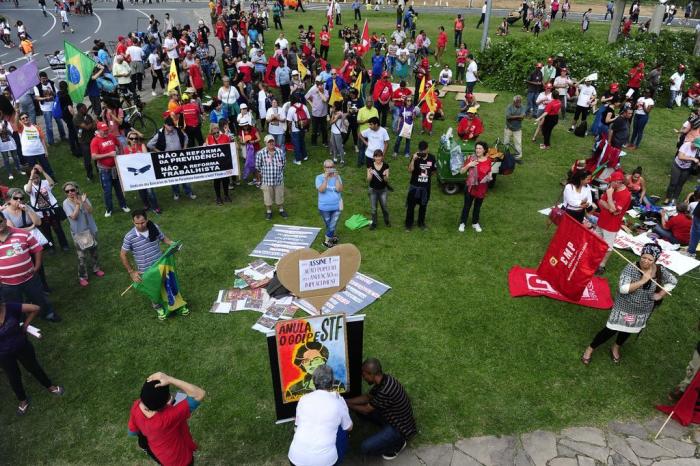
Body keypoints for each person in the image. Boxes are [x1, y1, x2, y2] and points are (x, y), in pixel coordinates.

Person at [581, 243, 677, 365]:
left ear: (655, 260)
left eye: (650, 259)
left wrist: (660, 294)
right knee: (611, 329)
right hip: (624, 306)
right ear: (641, 255)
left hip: (642, 310)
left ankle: (616, 347)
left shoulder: (659, 269)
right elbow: (623, 289)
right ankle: (590, 348)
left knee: (628, 330)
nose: (645, 261)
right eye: (643, 257)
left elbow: (673, 281)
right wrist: (643, 281)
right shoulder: (631, 268)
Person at [0, 300, 64, 416]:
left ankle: (50, 386)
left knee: (34, 367)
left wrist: (25, 325)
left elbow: (35, 308)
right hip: (3, 354)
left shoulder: (10, 307)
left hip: (22, 346)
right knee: (13, 377)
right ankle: (23, 400)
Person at [120, 210, 186, 320]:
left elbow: (163, 238)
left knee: (168, 284)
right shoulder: (129, 237)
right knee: (154, 290)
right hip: (146, 270)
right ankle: (158, 307)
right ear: (133, 222)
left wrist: (173, 244)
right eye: (137, 223)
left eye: (142, 222)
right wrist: (132, 272)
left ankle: (177, 305)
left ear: (147, 220)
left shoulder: (153, 227)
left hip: (160, 264)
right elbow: (123, 255)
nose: (140, 226)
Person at [345, 358, 417, 461]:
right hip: (391, 415)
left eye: (364, 374)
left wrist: (346, 404)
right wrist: (346, 401)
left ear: (372, 374)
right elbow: (367, 397)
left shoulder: (385, 390)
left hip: (399, 428)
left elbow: (366, 409)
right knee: (360, 409)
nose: (363, 377)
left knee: (365, 448)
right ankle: (385, 431)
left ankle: (398, 444)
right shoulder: (384, 380)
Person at [128, 372, 205, 466]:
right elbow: (199, 394)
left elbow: (133, 431)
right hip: (180, 460)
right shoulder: (168, 418)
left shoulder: (136, 406)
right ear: (166, 401)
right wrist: (169, 379)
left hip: (160, 455)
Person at [288, 364, 353, 466]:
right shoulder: (338, 402)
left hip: (295, 459)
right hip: (325, 462)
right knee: (341, 430)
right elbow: (349, 427)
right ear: (332, 383)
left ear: (314, 381)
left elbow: (297, 425)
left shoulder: (303, 399)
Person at [0, 212, 60, 322]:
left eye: (0, 221)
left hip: (29, 277)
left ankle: (48, 313)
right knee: (14, 303)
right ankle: (19, 322)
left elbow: (37, 249)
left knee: (39, 297)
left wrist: (36, 267)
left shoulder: (22, 234)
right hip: (7, 283)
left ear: (4, 220)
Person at [62, 181, 103, 287]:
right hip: (79, 232)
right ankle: (82, 276)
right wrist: (78, 205)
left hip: (91, 229)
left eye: (72, 190)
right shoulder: (66, 203)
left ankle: (96, 269)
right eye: (67, 191)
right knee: (81, 256)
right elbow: (74, 217)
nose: (70, 192)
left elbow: (90, 211)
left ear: (76, 189)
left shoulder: (83, 197)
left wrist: (83, 202)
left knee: (94, 252)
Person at [147, 117, 197, 201]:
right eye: (169, 126)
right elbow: (149, 144)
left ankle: (189, 192)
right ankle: (176, 193)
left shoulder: (177, 130)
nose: (171, 127)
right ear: (164, 125)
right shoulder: (160, 134)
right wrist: (159, 152)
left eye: (172, 126)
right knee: (173, 178)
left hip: (180, 158)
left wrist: (184, 148)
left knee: (185, 176)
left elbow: (186, 137)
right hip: (169, 160)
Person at [24, 165, 69, 252]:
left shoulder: (44, 182)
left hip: (51, 210)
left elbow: (52, 183)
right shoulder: (27, 186)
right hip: (40, 213)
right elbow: (29, 191)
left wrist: (43, 171)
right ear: (30, 178)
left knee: (58, 229)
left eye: (37, 177)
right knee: (46, 231)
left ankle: (64, 245)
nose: (36, 180)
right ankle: (50, 246)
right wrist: (31, 176)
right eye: (34, 178)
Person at [595, 171, 632, 275]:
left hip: (611, 225)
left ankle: (602, 265)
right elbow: (601, 202)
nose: (609, 184)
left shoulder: (625, 195)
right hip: (602, 220)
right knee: (596, 240)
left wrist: (610, 197)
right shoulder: (611, 188)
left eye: (611, 182)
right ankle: (594, 259)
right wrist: (610, 207)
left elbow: (615, 211)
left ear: (618, 182)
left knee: (608, 246)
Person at [90, 121, 130, 217]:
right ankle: (109, 209)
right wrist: (109, 154)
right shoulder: (95, 141)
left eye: (106, 130)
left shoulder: (111, 136)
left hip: (115, 168)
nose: (106, 132)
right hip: (105, 170)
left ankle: (123, 205)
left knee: (119, 188)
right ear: (99, 130)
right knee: (107, 190)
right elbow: (94, 157)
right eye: (103, 130)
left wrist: (120, 154)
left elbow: (119, 145)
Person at [123, 130, 161, 214]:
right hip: (136, 174)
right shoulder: (126, 149)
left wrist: (140, 154)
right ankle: (146, 205)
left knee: (150, 191)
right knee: (141, 191)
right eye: (131, 138)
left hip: (145, 172)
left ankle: (155, 207)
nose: (134, 140)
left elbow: (146, 158)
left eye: (136, 138)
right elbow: (125, 162)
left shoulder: (142, 145)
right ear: (128, 139)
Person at [458, 141, 492, 233]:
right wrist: (469, 165)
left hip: (481, 188)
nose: (477, 150)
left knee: (477, 207)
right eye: (476, 148)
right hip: (471, 187)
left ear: (484, 150)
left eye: (480, 148)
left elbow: (489, 171)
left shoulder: (488, 160)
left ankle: (475, 223)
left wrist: (489, 176)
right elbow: (461, 171)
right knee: (467, 206)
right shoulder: (471, 158)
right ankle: (462, 223)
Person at [255, 135, 288, 220]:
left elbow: (284, 164)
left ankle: (281, 210)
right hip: (267, 180)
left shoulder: (280, 152)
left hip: (278, 179)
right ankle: (269, 212)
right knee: (267, 197)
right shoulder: (260, 153)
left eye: (272, 141)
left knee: (279, 196)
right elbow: (258, 166)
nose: (271, 143)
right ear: (265, 143)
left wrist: (279, 170)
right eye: (269, 142)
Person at [405, 141, 436, 231]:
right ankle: (408, 225)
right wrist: (413, 160)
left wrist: (427, 177)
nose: (422, 152)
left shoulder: (432, 158)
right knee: (411, 207)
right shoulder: (416, 157)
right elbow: (410, 170)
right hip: (414, 187)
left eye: (424, 150)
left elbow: (434, 171)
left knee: (423, 206)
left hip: (425, 188)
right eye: (421, 151)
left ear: (427, 149)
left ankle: (421, 223)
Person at [15, 113, 55, 178]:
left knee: (47, 166)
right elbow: (16, 123)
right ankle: (37, 182)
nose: (25, 119)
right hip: (29, 153)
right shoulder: (21, 128)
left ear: (29, 117)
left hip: (40, 151)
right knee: (34, 170)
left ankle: (52, 180)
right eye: (23, 118)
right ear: (21, 121)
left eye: (26, 117)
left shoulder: (36, 127)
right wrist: (17, 112)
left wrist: (45, 150)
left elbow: (42, 139)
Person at [663, 137, 700, 206]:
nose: (696, 147)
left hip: (687, 168)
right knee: (673, 183)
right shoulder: (686, 145)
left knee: (680, 184)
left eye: (698, 147)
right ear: (693, 142)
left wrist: (697, 162)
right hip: (677, 165)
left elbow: (698, 159)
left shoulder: (698, 149)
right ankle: (667, 197)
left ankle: (674, 198)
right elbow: (680, 156)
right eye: (696, 146)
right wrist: (692, 158)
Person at [316, 160, 343, 249]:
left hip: (337, 206)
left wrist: (335, 178)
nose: (330, 169)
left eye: (331, 167)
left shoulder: (337, 177)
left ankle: (327, 241)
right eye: (327, 167)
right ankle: (332, 237)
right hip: (324, 207)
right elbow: (321, 190)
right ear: (324, 168)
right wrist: (326, 179)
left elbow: (339, 189)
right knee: (329, 225)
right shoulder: (319, 178)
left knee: (332, 224)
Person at [206, 123, 232, 206]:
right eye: (214, 133)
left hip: (225, 162)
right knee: (216, 181)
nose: (217, 134)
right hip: (215, 164)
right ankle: (218, 197)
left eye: (218, 132)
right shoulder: (209, 138)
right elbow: (206, 149)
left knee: (225, 180)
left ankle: (226, 195)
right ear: (211, 132)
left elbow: (230, 147)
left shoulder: (225, 137)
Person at [367, 149, 391, 230]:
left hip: (383, 190)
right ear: (374, 157)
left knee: (384, 207)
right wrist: (370, 174)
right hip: (373, 190)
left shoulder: (386, 166)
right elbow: (368, 179)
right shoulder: (370, 165)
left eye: (379, 156)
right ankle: (374, 223)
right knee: (373, 208)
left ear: (382, 157)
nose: (378, 158)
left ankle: (387, 220)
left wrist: (384, 176)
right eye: (376, 156)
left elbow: (387, 180)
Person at [73, 103, 96, 180]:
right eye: (84, 108)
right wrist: (92, 124)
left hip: (92, 139)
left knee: (96, 157)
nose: (86, 109)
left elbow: (94, 125)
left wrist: (92, 124)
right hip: (84, 142)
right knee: (87, 160)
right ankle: (89, 175)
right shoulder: (76, 118)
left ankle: (99, 171)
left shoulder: (88, 116)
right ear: (80, 109)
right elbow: (86, 127)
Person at [287, 95, 311, 166]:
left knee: (296, 144)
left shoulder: (291, 109)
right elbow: (308, 118)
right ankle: (305, 156)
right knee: (302, 142)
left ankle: (298, 160)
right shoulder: (304, 106)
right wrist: (306, 127)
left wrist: (290, 130)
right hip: (303, 128)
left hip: (295, 130)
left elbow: (289, 122)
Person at [357, 99, 379, 167]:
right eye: (368, 101)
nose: (369, 103)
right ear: (365, 102)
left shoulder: (375, 110)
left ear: (372, 102)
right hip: (363, 133)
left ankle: (372, 163)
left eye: (370, 101)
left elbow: (377, 121)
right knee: (361, 149)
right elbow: (358, 121)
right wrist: (366, 121)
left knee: (372, 148)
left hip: (372, 133)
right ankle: (360, 163)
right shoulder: (361, 110)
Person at [504, 95, 525, 161]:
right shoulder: (509, 107)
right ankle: (505, 154)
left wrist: (513, 116)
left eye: (520, 101)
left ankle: (518, 155)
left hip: (517, 128)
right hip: (508, 127)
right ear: (514, 102)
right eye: (517, 102)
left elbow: (522, 117)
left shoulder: (522, 107)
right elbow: (508, 117)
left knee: (518, 142)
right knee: (506, 141)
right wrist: (518, 117)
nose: (519, 103)